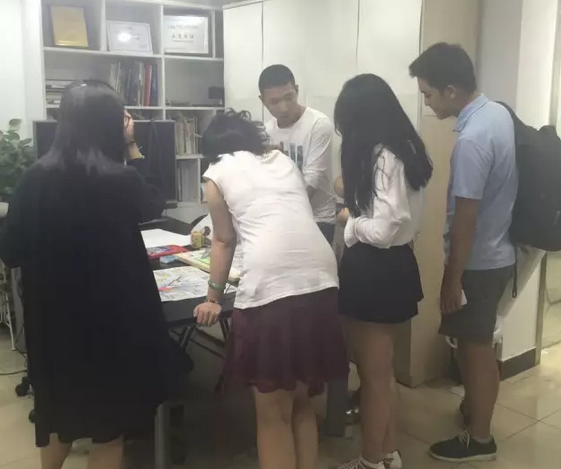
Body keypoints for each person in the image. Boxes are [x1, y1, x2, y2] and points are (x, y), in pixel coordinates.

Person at [0, 81, 180, 469]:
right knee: (108, 429)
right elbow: (155, 202)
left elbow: (11, 252)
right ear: (113, 125)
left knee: (58, 420)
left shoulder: (33, 178)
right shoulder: (120, 179)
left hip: (53, 326)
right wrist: (133, 147)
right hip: (112, 326)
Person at [194, 110, 348, 469]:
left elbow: (223, 239)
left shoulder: (216, 172)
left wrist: (213, 297)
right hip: (322, 277)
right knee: (301, 401)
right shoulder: (281, 161)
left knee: (272, 414)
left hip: (272, 287)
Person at [410, 43, 517, 463]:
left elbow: (465, 220)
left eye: (428, 93)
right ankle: (475, 412)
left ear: (451, 90)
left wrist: (452, 279)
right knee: (478, 346)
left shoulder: (472, 140)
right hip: (498, 251)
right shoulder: (497, 113)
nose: (426, 102)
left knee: (474, 351)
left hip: (478, 262)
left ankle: (481, 438)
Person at [335, 74, 432, 469]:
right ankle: (388, 454)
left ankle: (370, 461)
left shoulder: (384, 156)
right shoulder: (406, 147)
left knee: (372, 377)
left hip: (375, 269)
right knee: (382, 370)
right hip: (394, 266)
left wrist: (350, 221)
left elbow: (385, 229)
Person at [259, 65, 337, 243]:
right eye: (274, 102)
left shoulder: (318, 124)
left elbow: (312, 181)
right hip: (280, 219)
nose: (284, 108)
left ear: (297, 90)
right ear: (262, 101)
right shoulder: (267, 131)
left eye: (289, 97)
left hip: (316, 220)